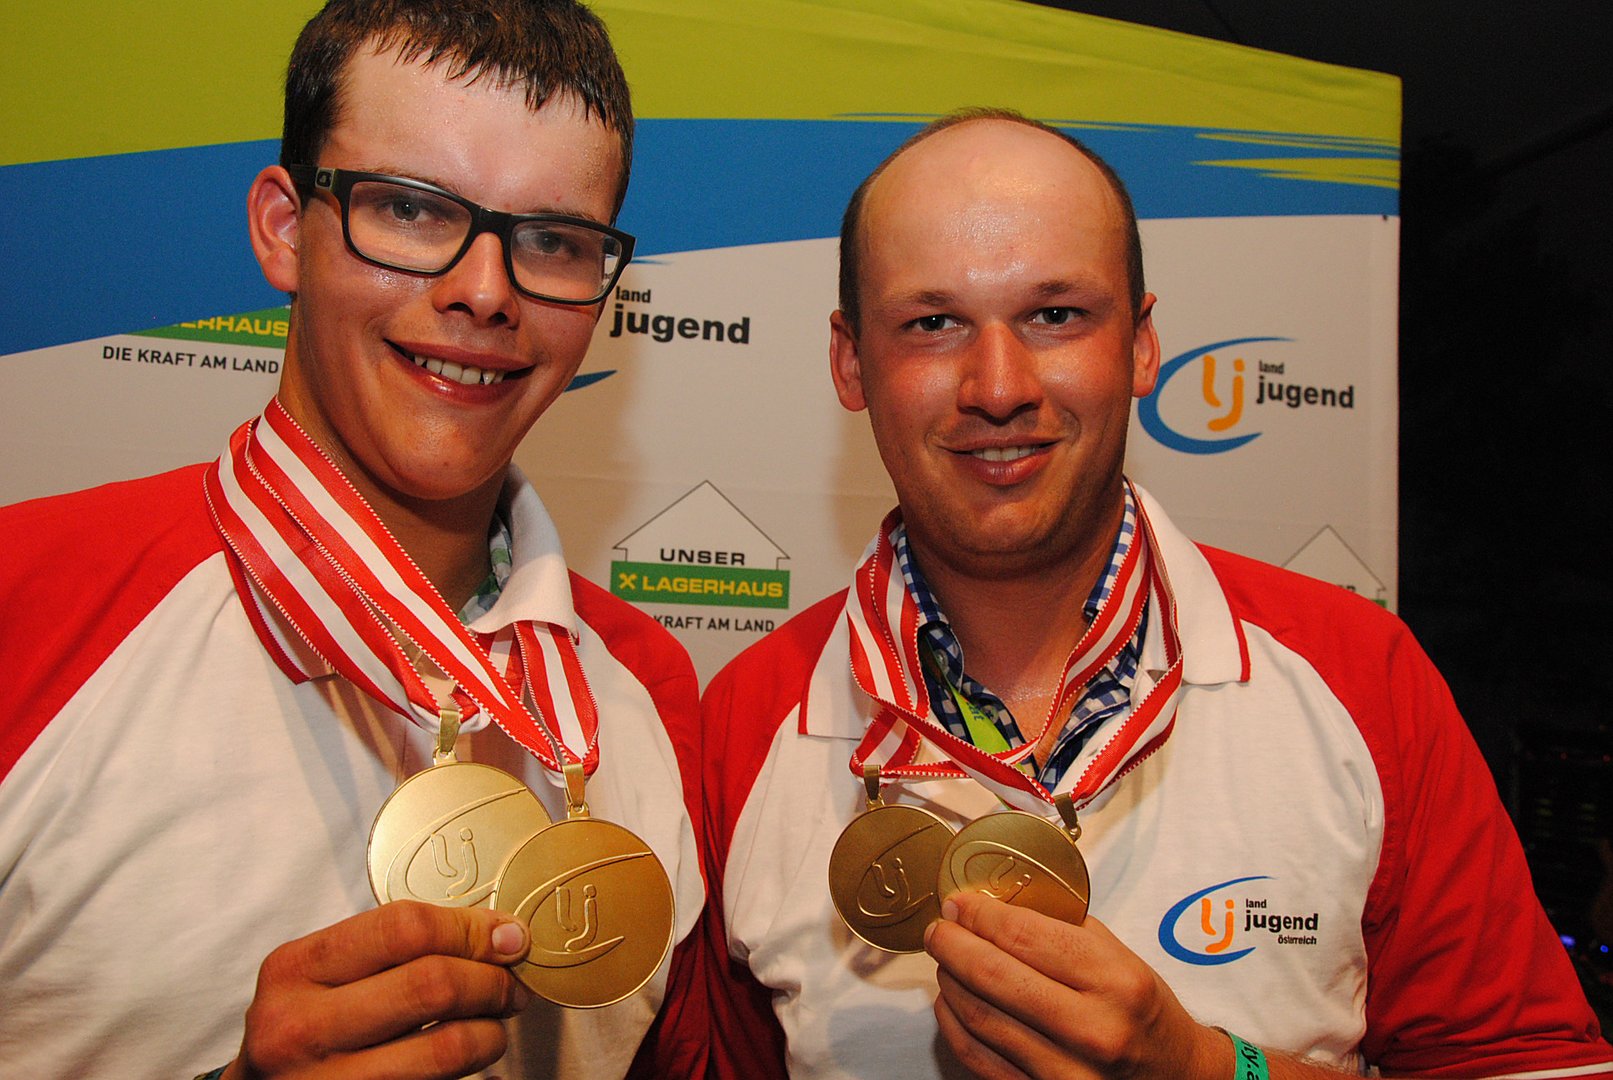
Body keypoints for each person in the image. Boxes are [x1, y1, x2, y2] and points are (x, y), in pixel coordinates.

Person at [701, 109, 1613, 1079]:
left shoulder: (1358, 676)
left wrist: (1204, 1070)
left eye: (1055, 315)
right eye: (932, 324)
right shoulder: (743, 726)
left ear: (1140, 347)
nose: (998, 386)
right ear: (851, 361)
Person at [0, 2, 706, 1078]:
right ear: (286, 229)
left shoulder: (647, 693)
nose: (484, 292)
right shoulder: (27, 598)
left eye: (554, 241)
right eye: (412, 210)